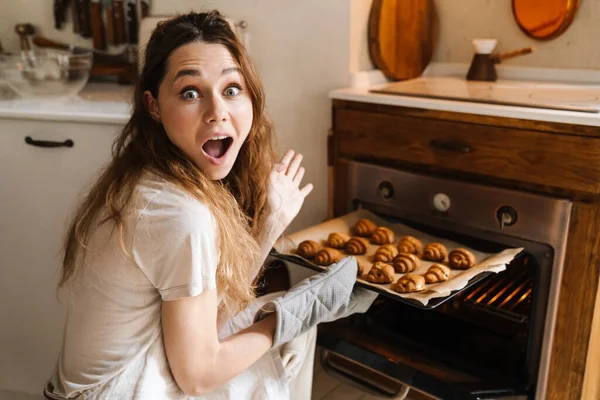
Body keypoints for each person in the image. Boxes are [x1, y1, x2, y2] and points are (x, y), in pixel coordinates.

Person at [43, 10, 376, 400]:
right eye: (190, 92)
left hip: (121, 378)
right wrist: (298, 313)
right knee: (287, 333)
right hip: (116, 391)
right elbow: (198, 375)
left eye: (232, 89)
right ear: (153, 106)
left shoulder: (157, 176)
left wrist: (268, 224)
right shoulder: (176, 212)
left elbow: (208, 314)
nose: (217, 110)